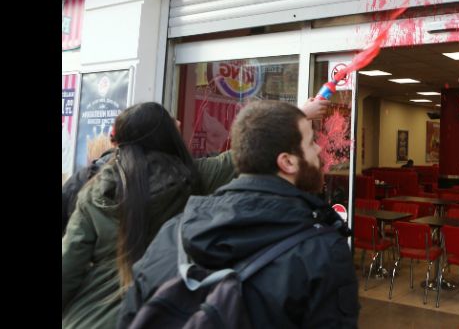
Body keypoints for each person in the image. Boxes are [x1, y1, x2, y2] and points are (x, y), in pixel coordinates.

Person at [62, 98, 329, 329]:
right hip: (159, 314)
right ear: (163, 135)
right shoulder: (192, 177)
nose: (178, 121)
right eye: (170, 121)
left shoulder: (96, 191)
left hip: (86, 317)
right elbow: (253, 147)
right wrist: (300, 112)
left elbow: (68, 267)